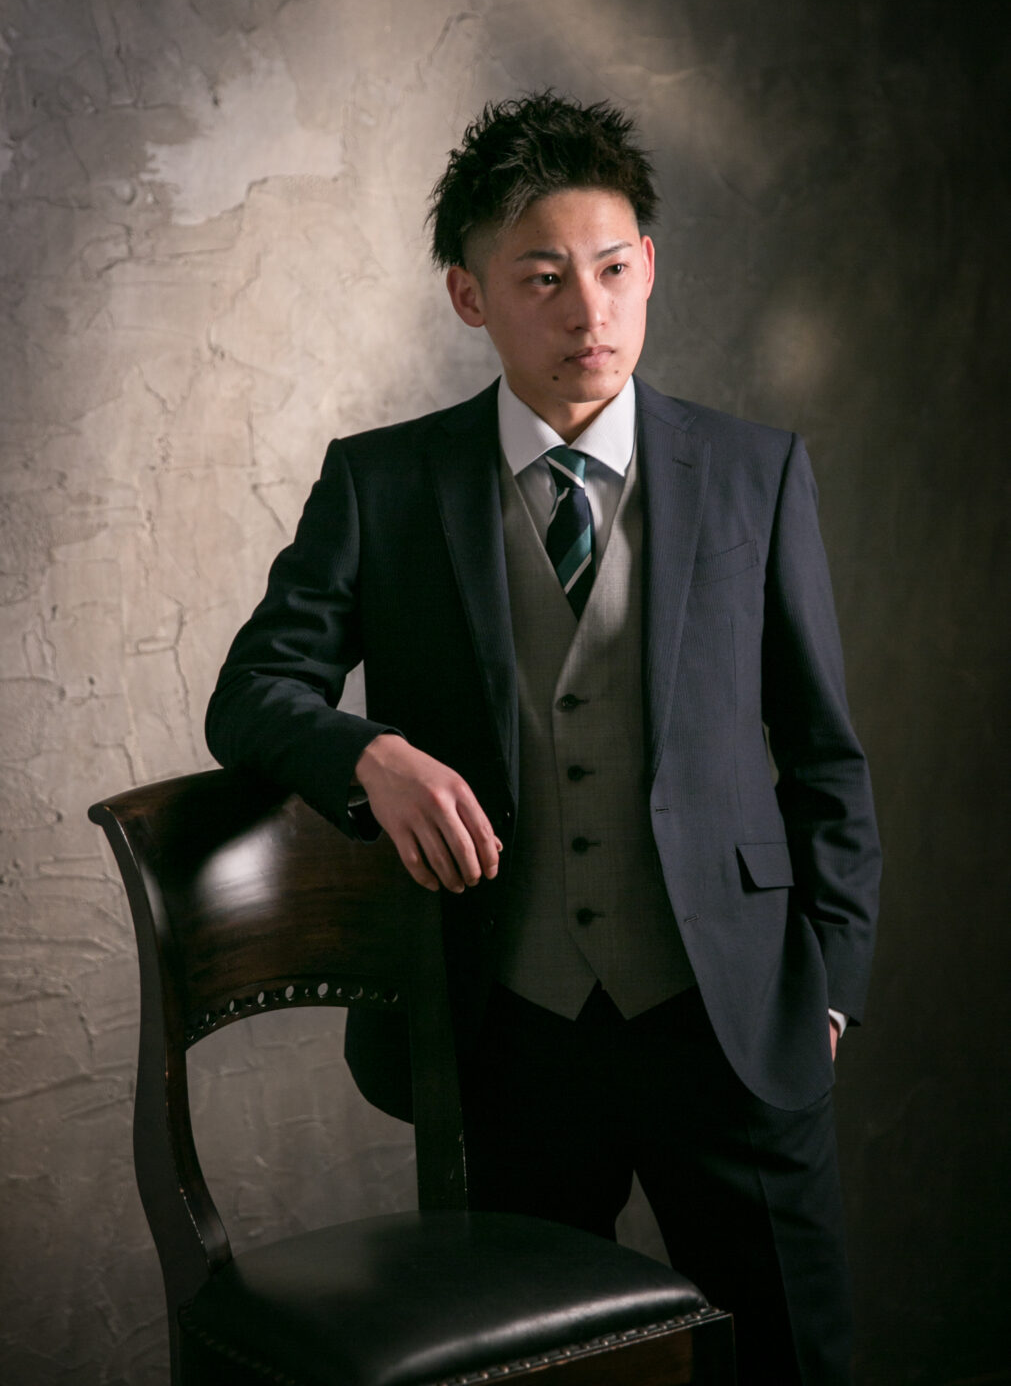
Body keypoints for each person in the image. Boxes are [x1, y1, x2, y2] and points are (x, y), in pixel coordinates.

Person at [205, 92, 881, 1385]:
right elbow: (251, 692)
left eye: (614, 270)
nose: (590, 313)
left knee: (794, 1361)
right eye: (544, 279)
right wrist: (368, 754)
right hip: (504, 1034)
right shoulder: (384, 484)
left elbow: (824, 755)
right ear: (470, 298)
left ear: (649, 267)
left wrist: (831, 988)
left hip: (731, 1019)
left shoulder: (756, 472)